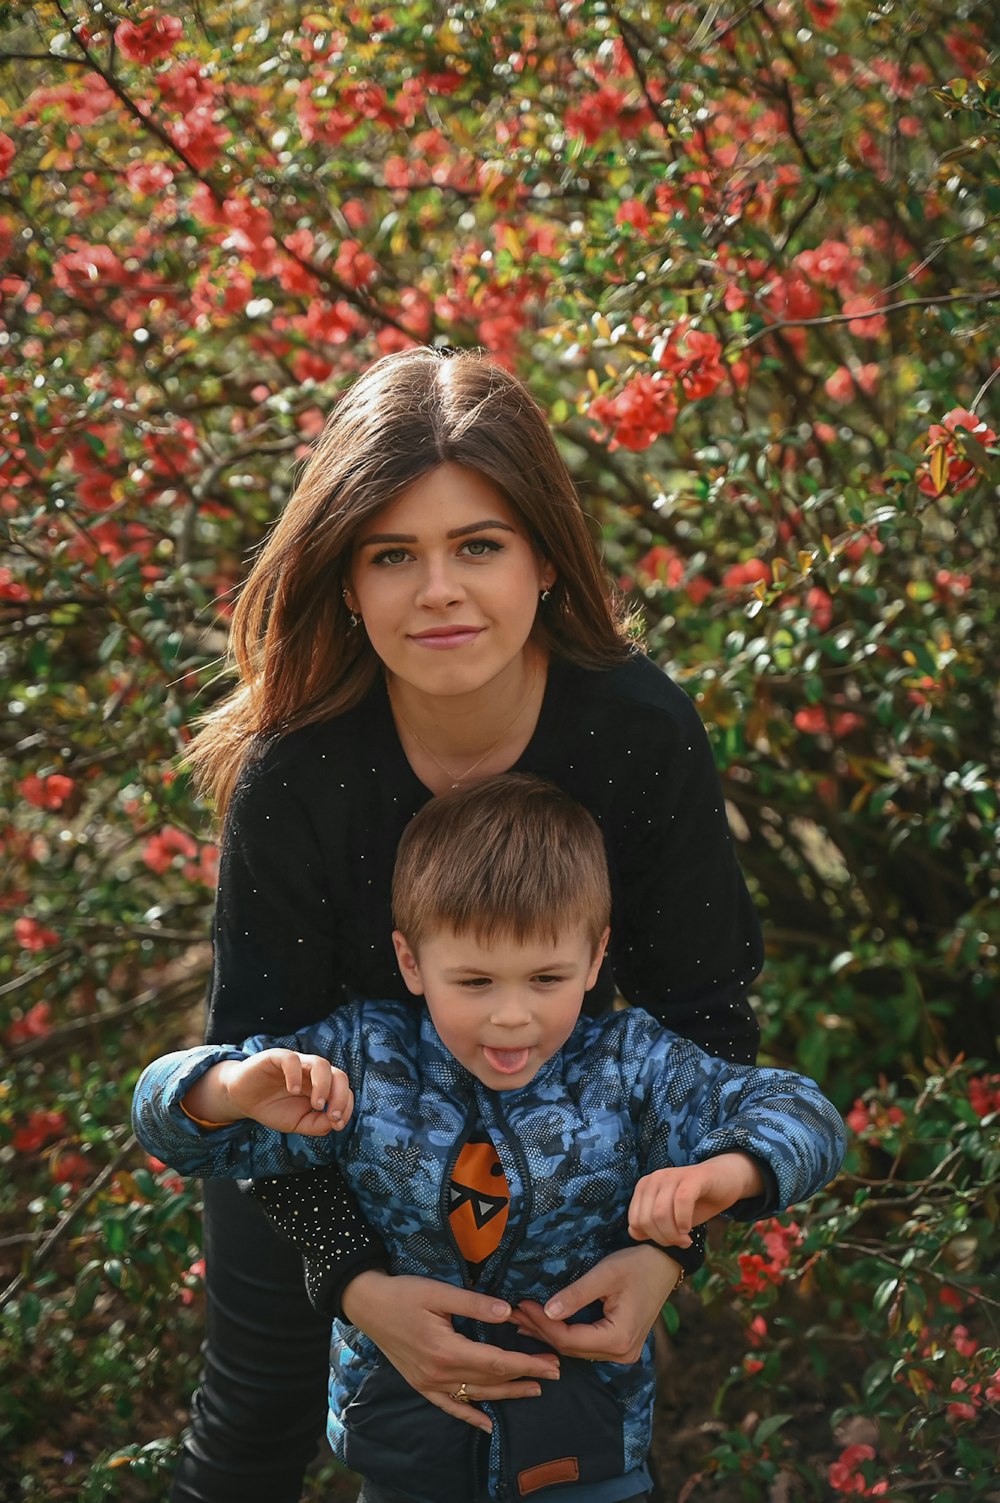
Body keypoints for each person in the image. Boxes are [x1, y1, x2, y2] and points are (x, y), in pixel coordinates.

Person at [177, 345, 767, 1502]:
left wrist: (661, 1249)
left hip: (540, 1154)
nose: (436, 590)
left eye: (477, 546)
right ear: (345, 582)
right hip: (311, 1159)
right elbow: (247, 1065)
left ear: (544, 558)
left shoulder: (635, 732)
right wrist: (354, 1282)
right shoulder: (299, 774)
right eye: (393, 556)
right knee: (254, 1420)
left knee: (548, 1456)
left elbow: (705, 1017)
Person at [134, 776, 846, 1503]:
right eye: (474, 981)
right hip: (405, 1442)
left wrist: (721, 1176)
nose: (512, 1016)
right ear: (412, 961)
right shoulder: (361, 1062)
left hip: (587, 1444)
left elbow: (804, 1112)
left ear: (597, 957)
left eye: (546, 977)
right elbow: (173, 1130)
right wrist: (227, 1091)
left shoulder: (629, 1065)